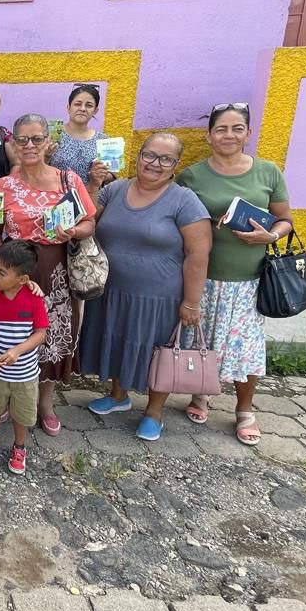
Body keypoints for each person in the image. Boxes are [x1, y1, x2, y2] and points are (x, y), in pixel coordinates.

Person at [81, 134, 213, 441]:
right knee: (116, 339)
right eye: (149, 155)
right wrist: (94, 185)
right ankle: (118, 396)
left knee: (157, 351)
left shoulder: (184, 200)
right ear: (138, 155)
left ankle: (154, 412)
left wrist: (192, 302)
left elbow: (198, 255)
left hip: (159, 297)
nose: (155, 163)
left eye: (165, 159)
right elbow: (86, 219)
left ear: (176, 165)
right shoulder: (115, 190)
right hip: (111, 290)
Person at [176, 103, 293, 446]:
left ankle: (244, 409)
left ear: (248, 133)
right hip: (204, 277)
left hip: (248, 280)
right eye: (221, 129)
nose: (229, 135)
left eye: (237, 128)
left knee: (246, 348)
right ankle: (201, 395)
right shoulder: (192, 176)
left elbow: (286, 219)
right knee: (201, 341)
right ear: (209, 136)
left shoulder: (268, 172)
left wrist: (271, 236)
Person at [0, 114, 96, 436]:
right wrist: (4, 262)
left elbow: (90, 222)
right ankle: (9, 397)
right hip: (14, 273)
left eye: (37, 138)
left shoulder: (68, 180)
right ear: (13, 143)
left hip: (55, 270)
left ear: (49, 141)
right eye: (22, 139)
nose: (30, 145)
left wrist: (73, 231)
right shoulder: (2, 185)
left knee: (51, 333)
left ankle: (45, 403)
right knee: (12, 332)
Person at [0, 239, 49, 476]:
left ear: (22, 279)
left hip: (25, 374)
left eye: (1, 272)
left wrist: (17, 351)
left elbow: (41, 334)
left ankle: (19, 446)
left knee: (22, 413)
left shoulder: (34, 298)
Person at [49, 84, 116, 190]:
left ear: (95, 110)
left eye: (89, 105)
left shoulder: (104, 140)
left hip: (89, 196)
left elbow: (112, 176)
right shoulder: (52, 131)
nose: (83, 109)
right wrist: (45, 156)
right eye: (77, 104)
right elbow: (36, 166)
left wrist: (99, 174)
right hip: (54, 194)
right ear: (68, 107)